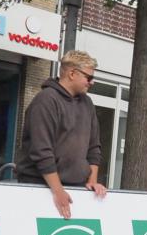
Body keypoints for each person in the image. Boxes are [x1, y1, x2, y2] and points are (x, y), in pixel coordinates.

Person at [16, 50, 107, 219]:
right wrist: (57, 191)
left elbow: (94, 148)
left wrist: (92, 181)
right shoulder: (46, 100)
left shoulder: (87, 103)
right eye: (88, 77)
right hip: (40, 187)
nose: (91, 82)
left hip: (76, 188)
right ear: (72, 73)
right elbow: (42, 151)